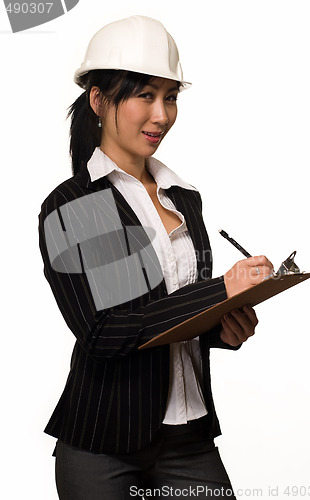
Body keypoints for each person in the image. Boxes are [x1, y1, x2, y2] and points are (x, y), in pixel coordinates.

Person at [38, 15, 273, 500]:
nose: (161, 115)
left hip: (190, 437)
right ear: (99, 101)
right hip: (102, 445)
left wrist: (222, 327)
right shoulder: (74, 205)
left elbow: (171, 312)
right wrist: (221, 289)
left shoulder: (183, 197)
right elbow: (106, 332)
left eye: (170, 96)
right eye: (144, 94)